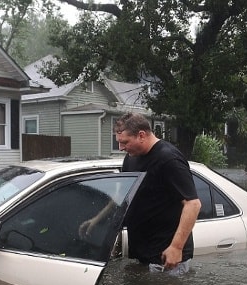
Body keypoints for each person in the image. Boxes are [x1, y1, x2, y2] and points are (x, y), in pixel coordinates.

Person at [79, 112, 201, 274]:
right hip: (142, 251)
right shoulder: (131, 158)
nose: (121, 148)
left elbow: (193, 204)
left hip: (166, 256)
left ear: (141, 135)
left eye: (125, 142)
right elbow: (122, 195)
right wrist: (98, 220)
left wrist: (176, 247)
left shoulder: (169, 159)